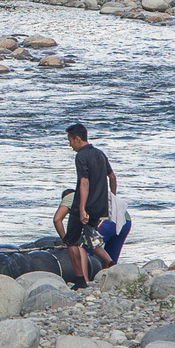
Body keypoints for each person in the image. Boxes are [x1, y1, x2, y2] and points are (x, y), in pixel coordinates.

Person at [62, 123, 117, 288]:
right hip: (99, 206)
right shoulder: (100, 154)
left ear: (77, 139)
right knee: (89, 238)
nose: (70, 144)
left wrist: (81, 208)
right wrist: (112, 199)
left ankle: (80, 280)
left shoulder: (81, 156)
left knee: (71, 241)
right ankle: (111, 262)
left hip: (84, 205)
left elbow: (84, 182)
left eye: (70, 140)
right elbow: (112, 177)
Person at [98, 187, 132, 265]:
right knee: (111, 254)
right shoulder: (108, 195)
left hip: (109, 220)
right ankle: (110, 272)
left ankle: (84, 276)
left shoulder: (71, 197)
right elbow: (112, 176)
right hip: (126, 221)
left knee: (85, 246)